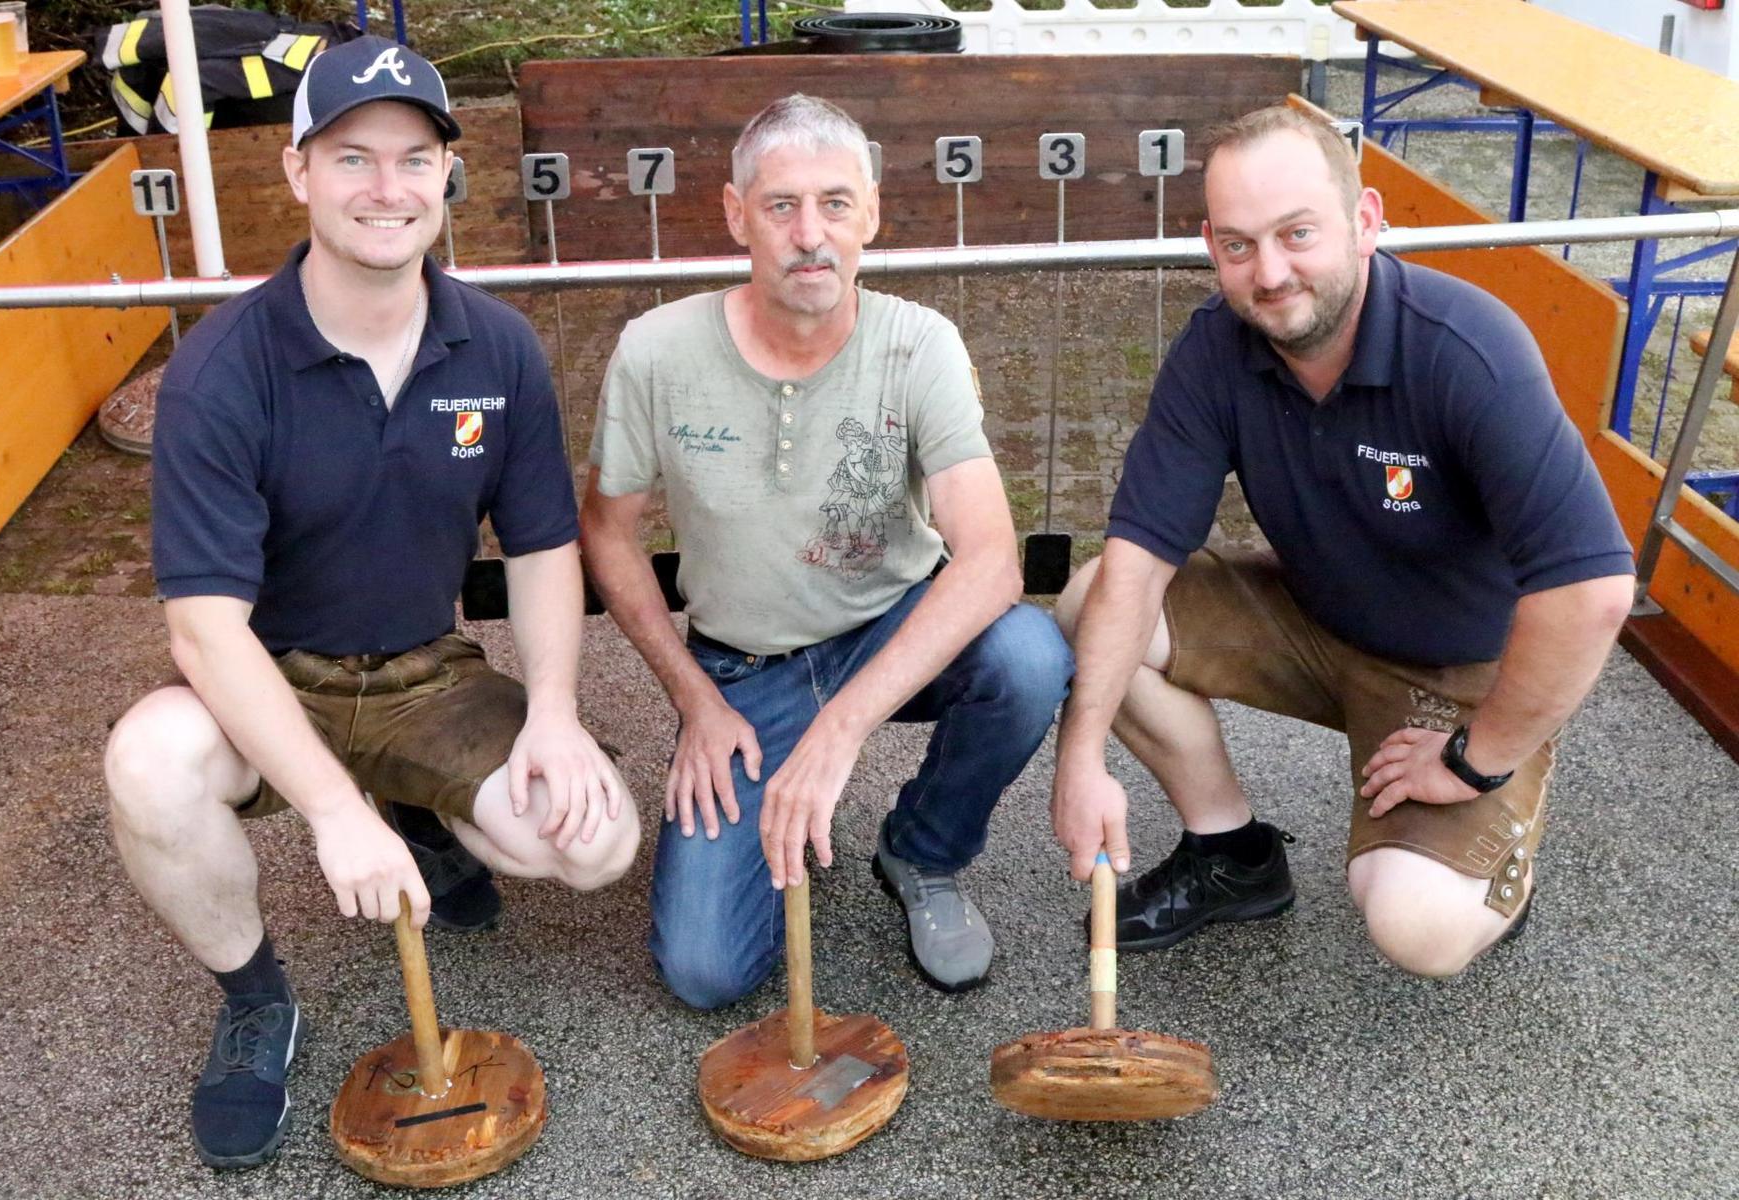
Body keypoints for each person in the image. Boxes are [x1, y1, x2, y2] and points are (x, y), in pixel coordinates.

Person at [102, 36, 638, 1169]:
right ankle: (256, 1003)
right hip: (267, 673)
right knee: (148, 765)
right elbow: (203, 627)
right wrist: (328, 815)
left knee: (592, 844)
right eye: (352, 158)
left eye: (412, 158)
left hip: (421, 673)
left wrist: (553, 711)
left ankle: (423, 815)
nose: (385, 189)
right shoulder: (222, 370)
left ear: (447, 175)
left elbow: (543, 550)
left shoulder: (497, 346)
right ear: (297, 173)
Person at [1051, 106, 1634, 978]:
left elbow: (1593, 593)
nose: (1270, 272)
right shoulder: (1217, 347)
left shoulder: (1466, 350)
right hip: (1316, 616)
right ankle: (1232, 853)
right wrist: (1082, 754)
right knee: (1089, 597)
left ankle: (1489, 856)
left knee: (1419, 929)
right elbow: (1138, 559)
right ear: (1212, 245)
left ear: (1365, 221)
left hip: (1458, 670)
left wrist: (1477, 761)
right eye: (1240, 245)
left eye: (1297, 234)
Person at [581, 94, 1073, 1008]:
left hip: (891, 626)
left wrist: (840, 731)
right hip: (741, 669)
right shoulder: (654, 354)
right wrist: (694, 702)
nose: (811, 235)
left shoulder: (919, 344)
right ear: (737, 217)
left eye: (836, 204)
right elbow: (608, 534)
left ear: (872, 214)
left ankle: (922, 853)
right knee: (703, 974)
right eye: (781, 206)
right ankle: (766, 828)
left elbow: (993, 562)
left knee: (1028, 657)